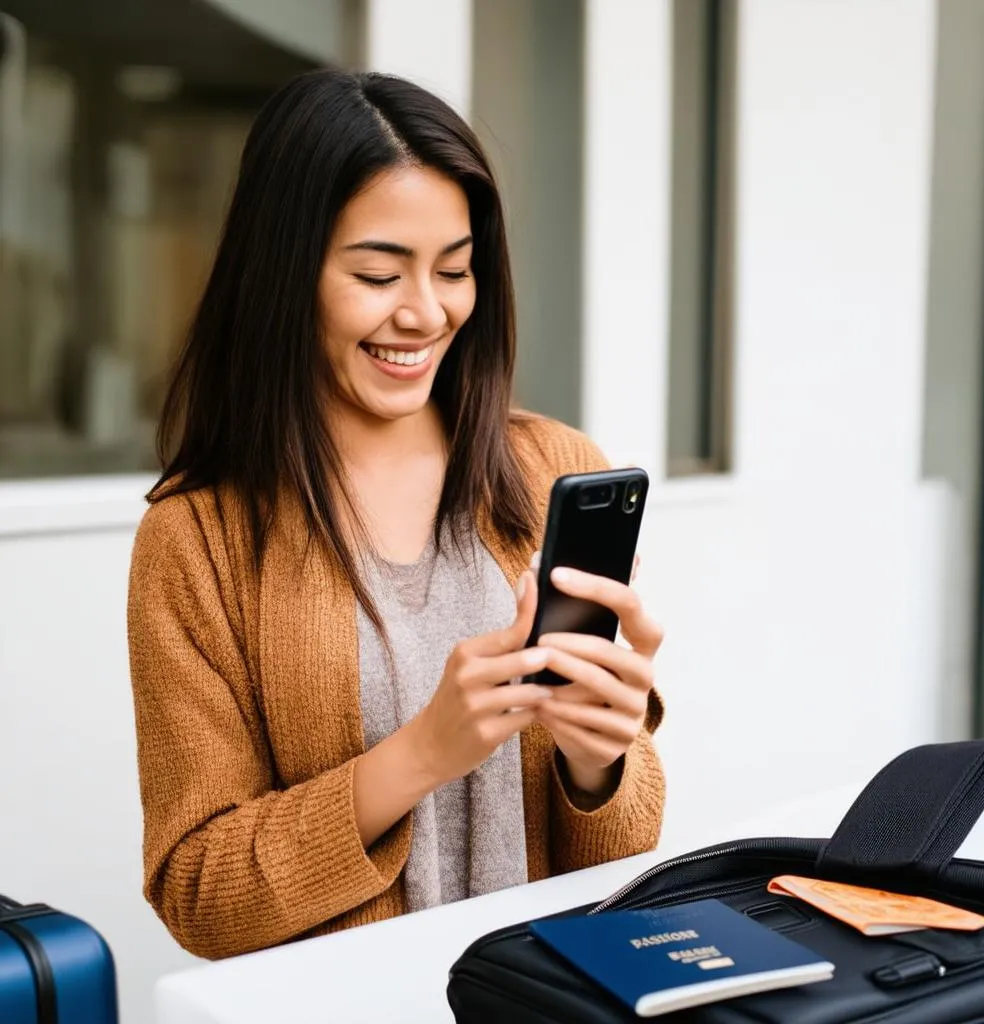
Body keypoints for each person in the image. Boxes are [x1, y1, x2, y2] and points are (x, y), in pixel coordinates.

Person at [126, 69, 666, 962]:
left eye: (454, 270)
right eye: (378, 273)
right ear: (284, 271)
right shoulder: (197, 540)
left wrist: (599, 759)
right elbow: (200, 895)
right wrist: (423, 753)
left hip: (541, 992)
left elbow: (624, 848)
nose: (426, 311)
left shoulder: (554, 469)